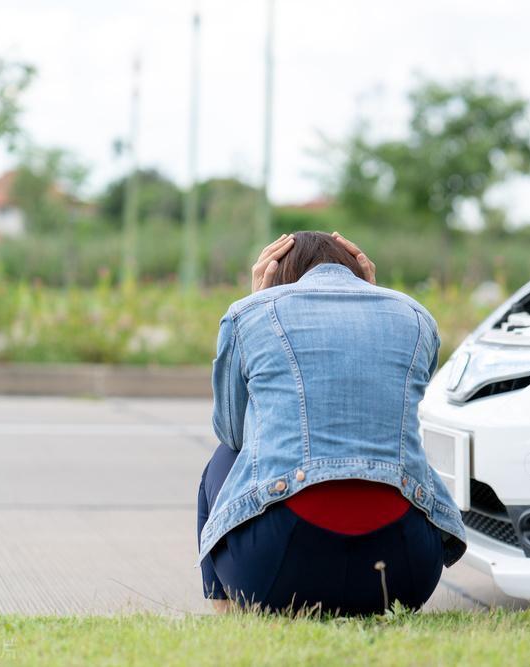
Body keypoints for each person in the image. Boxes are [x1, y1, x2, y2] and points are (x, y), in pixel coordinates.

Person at [196, 230, 466, 615]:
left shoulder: (249, 315)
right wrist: (374, 296)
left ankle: (226, 613)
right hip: (405, 574)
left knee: (225, 455)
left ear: (276, 275)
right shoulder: (416, 317)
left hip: (276, 571)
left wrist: (258, 302)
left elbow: (231, 430)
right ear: (361, 271)